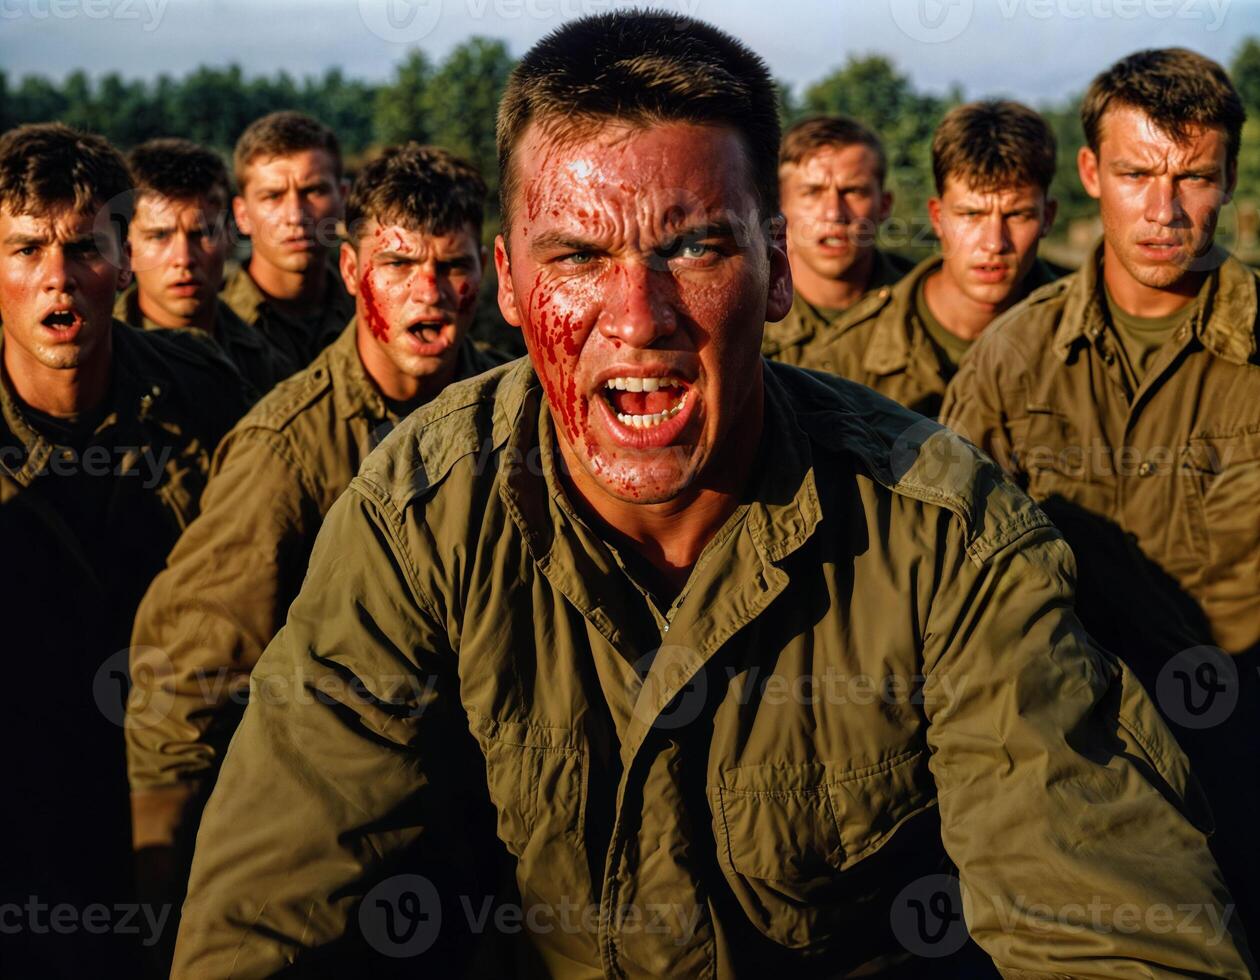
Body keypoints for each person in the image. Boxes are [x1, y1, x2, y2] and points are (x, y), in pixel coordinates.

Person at [173, 16, 1252, 977]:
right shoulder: (420, 517)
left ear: (775, 270)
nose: (637, 317)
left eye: (694, 247)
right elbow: (271, 902)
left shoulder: (939, 532)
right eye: (579, 254)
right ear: (509, 283)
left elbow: (1105, 910)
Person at [125, 145, 508, 936]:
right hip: (344, 857)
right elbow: (182, 685)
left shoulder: (520, 413)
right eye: (398, 264)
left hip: (499, 844)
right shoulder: (285, 450)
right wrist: (166, 898)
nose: (429, 294)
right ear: (351, 272)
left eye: (454, 265)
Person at [941, 47, 1260, 951]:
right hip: (1067, 757)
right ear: (1090, 174)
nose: (1164, 211)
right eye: (1136, 174)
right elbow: (947, 582)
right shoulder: (1012, 357)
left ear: (1230, 177)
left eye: (1194, 177)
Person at [0, 123, 248, 977]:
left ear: (123, 260)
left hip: (183, 792)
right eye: (26, 249)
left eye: (84, 247)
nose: (57, 279)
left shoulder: (207, 389)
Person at [798, 100, 1061, 416]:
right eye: (971, 214)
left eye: (1017, 215)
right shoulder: (846, 357)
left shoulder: (1092, 346)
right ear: (937, 217)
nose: (994, 243)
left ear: (1047, 217)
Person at [117, 137, 296, 396]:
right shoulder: (99, 359)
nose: (184, 258)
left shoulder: (269, 358)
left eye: (202, 234)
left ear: (228, 237)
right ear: (127, 247)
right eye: (159, 236)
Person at [762, 115, 911, 368]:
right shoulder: (744, 306)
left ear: (884, 205)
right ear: (779, 204)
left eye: (853, 192)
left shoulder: (924, 306)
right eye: (812, 192)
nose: (834, 213)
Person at [221, 110, 353, 367]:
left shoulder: (373, 314)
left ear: (343, 198)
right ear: (242, 214)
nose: (295, 215)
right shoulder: (212, 327)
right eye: (273, 196)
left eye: (314, 191)